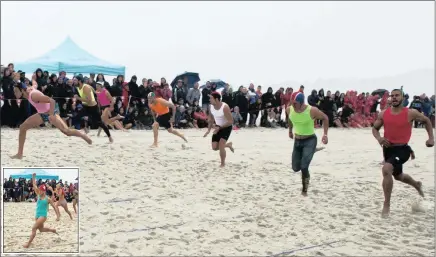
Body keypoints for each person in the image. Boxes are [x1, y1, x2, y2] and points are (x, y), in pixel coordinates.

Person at [372, 89, 434, 218]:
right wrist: (379, 138)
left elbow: (427, 121)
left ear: (402, 98)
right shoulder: (384, 114)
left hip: (403, 149)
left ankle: (386, 205)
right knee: (398, 176)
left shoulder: (410, 113)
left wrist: (431, 138)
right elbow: (374, 128)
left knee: (386, 169)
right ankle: (416, 184)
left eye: (397, 96)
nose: (394, 98)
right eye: (392, 96)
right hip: (388, 149)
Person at [10, 82, 92, 159]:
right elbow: (34, 84)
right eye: (14, 91)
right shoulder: (28, 90)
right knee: (22, 127)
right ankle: (19, 154)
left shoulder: (33, 95)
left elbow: (52, 101)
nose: (14, 93)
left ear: (22, 90)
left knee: (67, 131)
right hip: (42, 113)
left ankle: (82, 133)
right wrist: (34, 80)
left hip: (51, 110)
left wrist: (51, 115)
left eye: (16, 91)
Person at [285, 92, 329, 196]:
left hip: (310, 140)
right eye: (291, 103)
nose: (293, 105)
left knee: (304, 166)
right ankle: (311, 151)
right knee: (295, 168)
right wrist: (290, 131)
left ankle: (304, 190)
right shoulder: (289, 109)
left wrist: (325, 135)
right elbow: (290, 119)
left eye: (295, 103)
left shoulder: (312, 110)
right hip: (297, 141)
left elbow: (325, 118)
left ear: (301, 102)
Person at [73, 75, 113, 142]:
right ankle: (85, 129)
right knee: (77, 117)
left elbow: (89, 100)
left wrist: (78, 98)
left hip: (92, 107)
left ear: (79, 81)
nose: (74, 81)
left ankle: (110, 137)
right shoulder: (78, 87)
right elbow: (92, 89)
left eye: (75, 80)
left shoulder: (86, 87)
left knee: (100, 123)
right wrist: (95, 92)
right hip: (85, 106)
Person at [23, 173, 58, 248]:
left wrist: (57, 215)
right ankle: (52, 230)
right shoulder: (38, 194)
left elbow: (54, 207)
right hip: (37, 215)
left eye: (42, 190)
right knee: (41, 229)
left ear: (44, 191)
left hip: (43, 216)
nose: (40, 191)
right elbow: (34, 185)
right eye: (40, 190)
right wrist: (33, 177)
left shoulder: (47, 199)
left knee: (34, 228)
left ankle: (28, 244)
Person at [204, 92, 235, 167]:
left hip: (226, 127)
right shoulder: (211, 107)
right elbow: (211, 119)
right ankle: (228, 145)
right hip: (218, 127)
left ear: (216, 99)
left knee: (221, 145)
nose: (209, 99)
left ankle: (222, 164)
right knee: (214, 147)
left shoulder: (225, 107)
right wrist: (208, 130)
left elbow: (231, 121)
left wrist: (220, 128)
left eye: (211, 98)